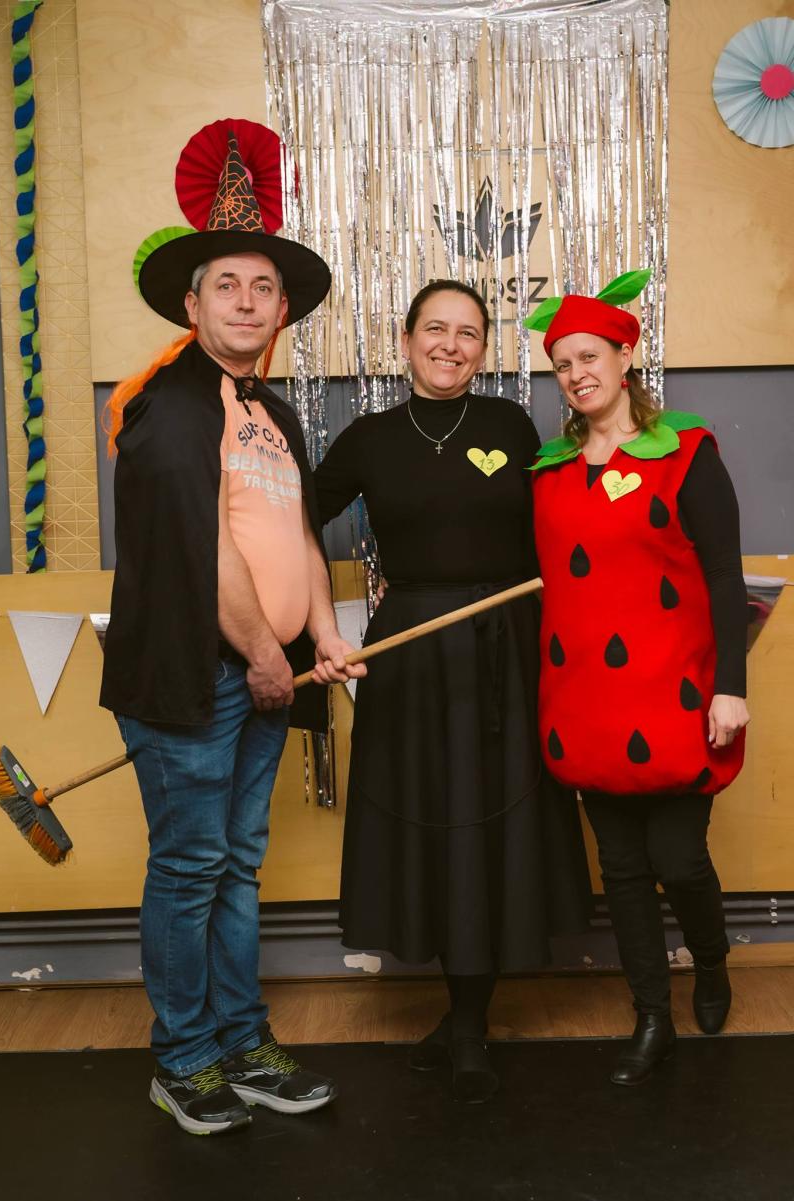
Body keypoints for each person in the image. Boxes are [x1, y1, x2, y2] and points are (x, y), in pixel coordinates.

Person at [100, 126, 363, 1135]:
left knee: (234, 865)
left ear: (281, 308)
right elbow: (203, 546)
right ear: (192, 304)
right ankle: (184, 1059)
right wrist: (262, 654)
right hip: (195, 676)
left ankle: (242, 1042)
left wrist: (319, 638)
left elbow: (297, 535)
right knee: (190, 867)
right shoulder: (171, 408)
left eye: (262, 287)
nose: (246, 301)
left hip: (264, 673)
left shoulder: (272, 413)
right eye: (227, 286)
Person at [313, 280, 591, 1104]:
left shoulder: (510, 426)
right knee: (431, 822)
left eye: (469, 333)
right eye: (435, 328)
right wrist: (313, 626)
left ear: (483, 349)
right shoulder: (367, 437)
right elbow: (288, 525)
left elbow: (563, 523)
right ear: (405, 341)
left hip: (508, 646)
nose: (451, 344)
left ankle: (469, 1020)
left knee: (494, 825)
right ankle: (461, 1014)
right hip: (409, 651)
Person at [526, 274, 750, 1086]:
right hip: (586, 698)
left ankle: (712, 962)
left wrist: (731, 685)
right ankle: (652, 1014)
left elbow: (724, 576)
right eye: (561, 364)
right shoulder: (549, 470)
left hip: (677, 692)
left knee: (679, 859)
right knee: (619, 868)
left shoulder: (687, 454)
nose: (575, 374)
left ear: (626, 357)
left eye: (589, 357)